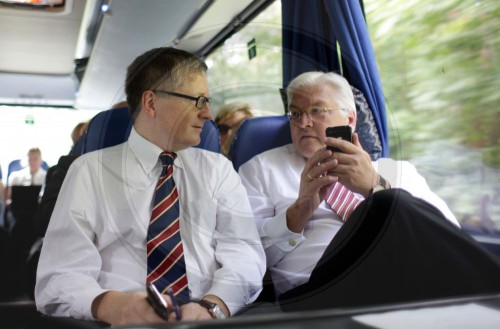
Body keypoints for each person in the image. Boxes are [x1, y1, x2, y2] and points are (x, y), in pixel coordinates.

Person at [35, 47, 265, 325]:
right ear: (151, 103)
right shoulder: (88, 172)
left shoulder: (218, 170)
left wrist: (211, 307)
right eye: (198, 100)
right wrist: (116, 307)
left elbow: (244, 254)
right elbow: (60, 276)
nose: (208, 113)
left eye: (208, 101)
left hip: (208, 318)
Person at [238, 71, 460, 300]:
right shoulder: (261, 169)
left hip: (407, 280)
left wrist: (376, 186)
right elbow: (247, 256)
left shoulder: (397, 171)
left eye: (316, 110)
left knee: (391, 201)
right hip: (318, 294)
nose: (303, 123)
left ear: (350, 119)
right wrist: (299, 211)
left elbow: (447, 234)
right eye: (295, 113)